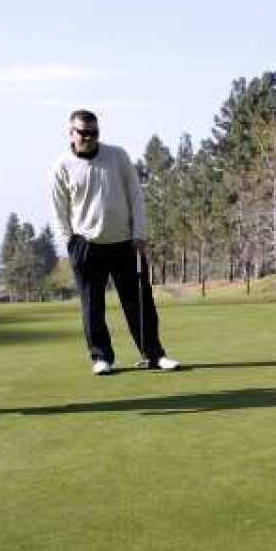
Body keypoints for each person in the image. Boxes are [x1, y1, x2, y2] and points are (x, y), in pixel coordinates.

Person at [50, 110, 180, 375]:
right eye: (83, 133)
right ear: (71, 133)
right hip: (86, 244)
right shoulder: (62, 166)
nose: (89, 137)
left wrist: (140, 233)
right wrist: (70, 242)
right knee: (92, 305)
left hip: (125, 243)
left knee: (140, 303)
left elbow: (135, 195)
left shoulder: (117, 156)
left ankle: (154, 354)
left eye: (94, 133)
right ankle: (101, 357)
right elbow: (58, 210)